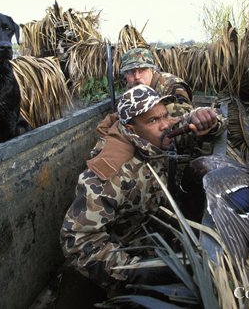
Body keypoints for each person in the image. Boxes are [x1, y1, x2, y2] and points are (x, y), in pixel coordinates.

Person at [60, 85, 227, 297]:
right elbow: (76, 241)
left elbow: (212, 121)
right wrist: (136, 272)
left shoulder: (159, 133)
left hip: (160, 229)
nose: (165, 124)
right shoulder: (111, 175)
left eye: (165, 115)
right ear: (131, 130)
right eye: (153, 120)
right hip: (133, 257)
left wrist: (209, 122)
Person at [120, 47, 193, 117]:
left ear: (151, 70)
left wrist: (152, 104)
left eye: (142, 70)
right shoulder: (132, 86)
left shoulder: (172, 84)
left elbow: (188, 112)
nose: (136, 77)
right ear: (125, 75)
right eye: (130, 72)